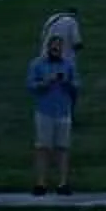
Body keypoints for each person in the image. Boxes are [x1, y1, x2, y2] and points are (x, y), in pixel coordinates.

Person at [26, 34, 76, 196]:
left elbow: (77, 85)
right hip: (44, 111)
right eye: (53, 46)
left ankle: (63, 183)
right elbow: (31, 86)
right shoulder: (37, 64)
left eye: (59, 46)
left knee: (63, 147)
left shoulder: (68, 65)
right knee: (42, 148)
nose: (56, 49)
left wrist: (67, 83)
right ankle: (41, 183)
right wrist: (46, 82)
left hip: (63, 111)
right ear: (48, 47)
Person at [40, 8, 83, 118]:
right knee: (72, 88)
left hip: (45, 58)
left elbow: (43, 37)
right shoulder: (72, 21)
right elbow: (77, 42)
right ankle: (69, 115)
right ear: (75, 15)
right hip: (63, 61)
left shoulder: (52, 19)